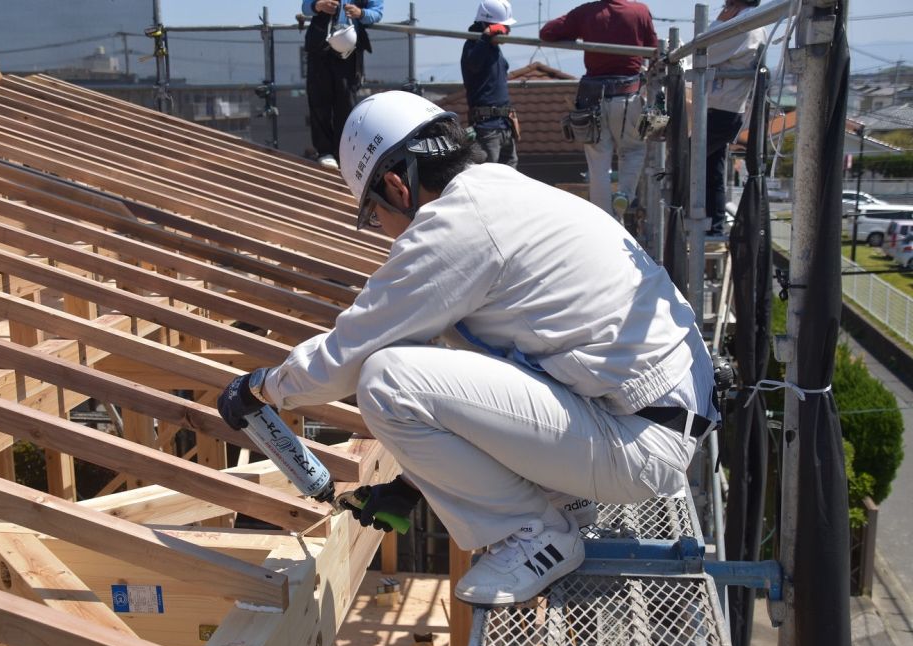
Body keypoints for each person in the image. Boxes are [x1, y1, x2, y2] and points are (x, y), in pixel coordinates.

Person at [218, 91, 718, 606]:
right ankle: (561, 500)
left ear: (397, 185)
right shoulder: (501, 192)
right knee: (448, 345)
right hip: (654, 417)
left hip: (637, 443)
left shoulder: (456, 225)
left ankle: (536, 534)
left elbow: (346, 356)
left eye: (373, 214)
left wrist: (261, 388)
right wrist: (413, 485)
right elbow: (484, 377)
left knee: (386, 378)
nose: (381, 230)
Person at [540, 0, 658, 219]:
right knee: (632, 149)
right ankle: (624, 194)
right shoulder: (639, 11)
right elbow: (653, 51)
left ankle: (604, 218)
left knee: (598, 163)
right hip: (628, 95)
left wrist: (579, 33)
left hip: (592, 98)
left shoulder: (586, 12)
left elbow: (547, 32)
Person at [705, 0, 767, 235]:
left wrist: (719, 22)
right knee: (712, 168)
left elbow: (704, 50)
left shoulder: (743, 24)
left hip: (721, 110)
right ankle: (714, 223)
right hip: (728, 109)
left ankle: (699, 218)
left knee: (689, 160)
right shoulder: (753, 20)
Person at [301, 0, 384, 170]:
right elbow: (305, 7)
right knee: (319, 100)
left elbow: (377, 13)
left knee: (346, 103)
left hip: (349, 50)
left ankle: (343, 152)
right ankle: (325, 152)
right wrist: (318, 5)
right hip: (319, 47)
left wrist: (360, 13)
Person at [461, 0, 519, 168]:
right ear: (489, 25)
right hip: (487, 127)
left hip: (504, 125)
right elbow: (474, 64)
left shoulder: (493, 49)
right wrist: (485, 37)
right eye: (503, 27)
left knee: (510, 176)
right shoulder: (473, 45)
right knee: (488, 174)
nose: (507, 31)